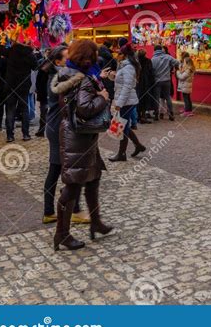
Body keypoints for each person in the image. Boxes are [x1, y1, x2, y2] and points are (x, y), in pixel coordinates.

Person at [53, 39, 113, 251]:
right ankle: (62, 233)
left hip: (78, 135)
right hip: (78, 137)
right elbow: (84, 109)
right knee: (73, 185)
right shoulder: (84, 79)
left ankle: (95, 221)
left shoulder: (69, 74)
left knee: (94, 176)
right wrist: (103, 98)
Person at [42, 45, 89, 225]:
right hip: (57, 128)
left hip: (58, 126)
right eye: (67, 57)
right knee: (66, 169)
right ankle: (74, 210)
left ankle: (49, 211)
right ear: (58, 62)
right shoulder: (57, 78)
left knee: (59, 169)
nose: (70, 60)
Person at [109, 44, 146, 162]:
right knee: (124, 125)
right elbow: (121, 82)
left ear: (124, 55)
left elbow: (127, 86)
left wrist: (119, 103)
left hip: (127, 101)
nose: (116, 55)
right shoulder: (123, 66)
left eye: (119, 53)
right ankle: (138, 146)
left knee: (122, 127)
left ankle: (122, 154)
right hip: (125, 100)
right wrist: (112, 76)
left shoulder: (128, 67)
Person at [4, 40, 39, 142]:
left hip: (11, 84)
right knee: (24, 110)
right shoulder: (29, 53)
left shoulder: (11, 51)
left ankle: (10, 136)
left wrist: (3, 43)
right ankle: (26, 134)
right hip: (23, 85)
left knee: (10, 110)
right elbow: (36, 67)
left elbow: (2, 51)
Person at [151, 45, 179, 121]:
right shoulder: (167, 57)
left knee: (157, 98)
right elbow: (177, 62)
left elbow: (152, 70)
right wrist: (170, 66)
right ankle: (171, 114)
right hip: (167, 80)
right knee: (168, 97)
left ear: (154, 50)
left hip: (157, 81)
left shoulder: (153, 59)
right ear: (161, 50)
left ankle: (156, 114)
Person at [137, 48, 155, 122]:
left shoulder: (136, 61)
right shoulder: (148, 61)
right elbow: (151, 72)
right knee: (145, 99)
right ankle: (143, 116)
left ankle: (138, 116)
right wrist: (152, 81)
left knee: (138, 98)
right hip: (146, 82)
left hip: (137, 82)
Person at [35, 52, 50, 137]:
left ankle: (41, 130)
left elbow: (38, 79)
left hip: (44, 92)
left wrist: (38, 89)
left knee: (43, 112)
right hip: (47, 92)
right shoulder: (59, 65)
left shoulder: (43, 64)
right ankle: (42, 130)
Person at [177, 52, 195, 116]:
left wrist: (178, 72)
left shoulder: (188, 69)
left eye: (184, 62)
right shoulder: (190, 68)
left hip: (186, 85)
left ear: (187, 63)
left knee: (186, 98)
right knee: (188, 98)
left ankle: (187, 111)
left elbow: (182, 77)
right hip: (187, 85)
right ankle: (189, 110)